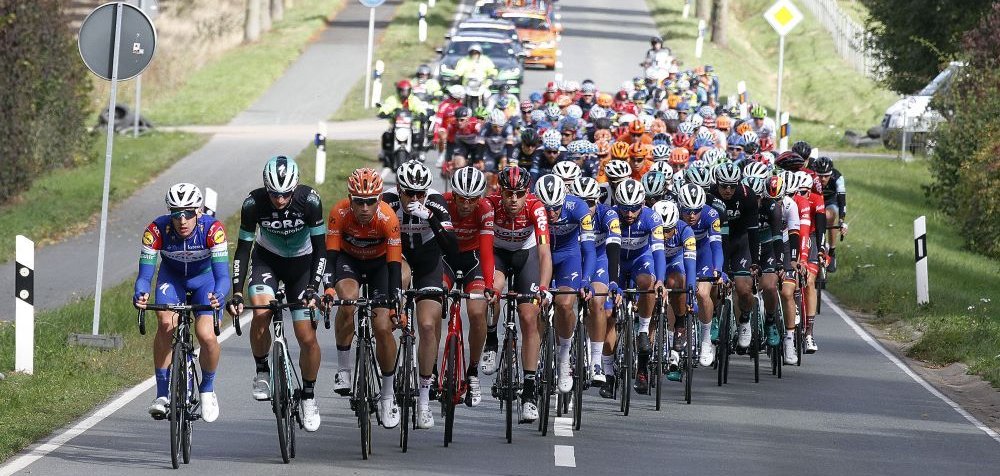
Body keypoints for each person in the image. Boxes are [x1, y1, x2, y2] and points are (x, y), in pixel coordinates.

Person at [227, 156, 326, 432]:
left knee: (307, 336)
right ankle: (262, 371)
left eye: (285, 194)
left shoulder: (310, 201)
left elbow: (321, 250)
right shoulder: (253, 203)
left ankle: (309, 396)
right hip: (267, 260)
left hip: (302, 265)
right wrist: (237, 292)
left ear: (294, 188)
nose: (280, 200)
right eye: (274, 194)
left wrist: (313, 287)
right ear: (266, 188)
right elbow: (243, 250)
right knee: (261, 312)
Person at [135, 183, 230, 423]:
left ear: (198, 211)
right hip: (172, 279)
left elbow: (222, 277)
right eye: (176, 214)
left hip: (205, 281)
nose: (182, 220)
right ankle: (161, 394)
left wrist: (219, 295)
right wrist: (141, 293)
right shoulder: (156, 230)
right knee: (166, 323)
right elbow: (144, 277)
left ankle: (207, 389)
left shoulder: (213, 230)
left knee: (206, 334)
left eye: (188, 213)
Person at [324, 167, 404, 429]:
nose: (365, 208)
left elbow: (394, 266)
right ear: (350, 198)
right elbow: (331, 257)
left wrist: (395, 303)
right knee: (348, 300)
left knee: (382, 326)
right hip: (349, 261)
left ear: (379, 199)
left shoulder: (388, 217)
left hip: (381, 265)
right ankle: (344, 370)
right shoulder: (339, 213)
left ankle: (388, 395)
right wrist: (328, 289)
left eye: (371, 201)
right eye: (359, 201)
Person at [383, 162, 458, 429]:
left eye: (420, 194)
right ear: (399, 189)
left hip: (429, 261)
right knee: (399, 284)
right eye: (409, 193)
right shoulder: (387, 201)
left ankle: (424, 400)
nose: (414, 198)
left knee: (427, 325)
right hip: (399, 257)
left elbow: (451, 247)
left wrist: (430, 217)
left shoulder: (435, 202)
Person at [484, 166, 553, 423]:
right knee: (493, 289)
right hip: (498, 255)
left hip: (527, 255)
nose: (514, 199)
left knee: (528, 316)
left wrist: (543, 287)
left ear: (527, 192)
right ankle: (492, 339)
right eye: (508, 193)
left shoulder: (536, 208)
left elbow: (544, 254)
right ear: (499, 191)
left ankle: (530, 392)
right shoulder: (489, 205)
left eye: (519, 194)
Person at [603, 179, 666, 396]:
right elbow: (607, 250)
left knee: (647, 283)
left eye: (634, 208)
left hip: (641, 259)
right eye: (624, 208)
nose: (629, 214)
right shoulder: (611, 215)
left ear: (643, 204)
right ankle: (608, 374)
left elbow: (658, 251)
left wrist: (660, 280)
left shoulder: (652, 218)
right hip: (617, 262)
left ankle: (643, 330)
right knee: (608, 315)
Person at [534, 174, 596, 394]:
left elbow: (589, 249)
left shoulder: (578, 208)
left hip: (568, 256)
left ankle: (564, 358)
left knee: (565, 304)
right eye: (546, 209)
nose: (551, 213)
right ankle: (536, 356)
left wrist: (586, 280)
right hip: (540, 256)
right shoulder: (532, 206)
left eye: (556, 208)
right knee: (533, 306)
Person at [443, 167, 496, 407]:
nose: (466, 204)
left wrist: (490, 285)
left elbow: (486, 250)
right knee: (431, 306)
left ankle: (472, 371)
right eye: (461, 198)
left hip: (473, 259)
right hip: (446, 259)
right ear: (453, 195)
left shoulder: (485, 209)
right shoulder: (442, 203)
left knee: (476, 312)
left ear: (480, 197)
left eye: (472, 199)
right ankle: (431, 371)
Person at [571, 177, 621, 385]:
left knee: (598, 302)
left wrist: (614, 281)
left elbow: (613, 248)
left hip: (599, 258)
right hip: (573, 258)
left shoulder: (608, 215)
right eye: (581, 202)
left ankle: (596, 362)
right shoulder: (567, 212)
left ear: (598, 202)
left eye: (590, 203)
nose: (586, 208)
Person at [677, 184, 724, 367]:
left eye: (696, 211)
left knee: (703, 293)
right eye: (687, 211)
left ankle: (706, 340)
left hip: (703, 253)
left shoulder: (711, 214)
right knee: (677, 291)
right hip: (681, 253)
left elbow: (716, 245)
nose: (692, 215)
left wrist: (717, 269)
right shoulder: (673, 213)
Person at [379, 80, 428, 166]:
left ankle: (420, 152)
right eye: (402, 91)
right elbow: (387, 106)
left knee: (419, 135)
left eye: (406, 91)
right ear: (398, 91)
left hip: (412, 126)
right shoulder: (393, 98)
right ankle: (384, 152)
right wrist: (383, 112)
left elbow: (419, 107)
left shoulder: (413, 99)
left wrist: (422, 114)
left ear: (409, 91)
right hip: (396, 125)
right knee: (386, 135)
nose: (404, 93)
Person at [811, 156, 847, 272]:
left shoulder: (837, 177)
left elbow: (842, 201)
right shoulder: (810, 177)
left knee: (829, 216)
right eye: (820, 176)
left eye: (826, 176)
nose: (823, 179)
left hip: (831, 201)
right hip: (816, 199)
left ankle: (832, 251)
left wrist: (841, 220)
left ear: (831, 173)